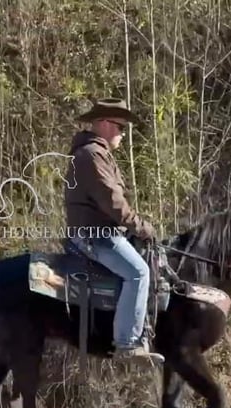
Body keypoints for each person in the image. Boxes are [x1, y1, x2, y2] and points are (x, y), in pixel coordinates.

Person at [63, 98, 163, 362]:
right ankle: (127, 344)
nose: (123, 133)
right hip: (96, 236)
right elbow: (113, 202)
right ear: (105, 124)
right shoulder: (92, 155)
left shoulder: (93, 153)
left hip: (98, 231)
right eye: (121, 126)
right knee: (139, 273)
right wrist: (142, 227)